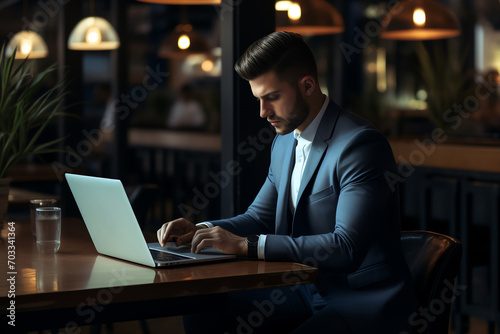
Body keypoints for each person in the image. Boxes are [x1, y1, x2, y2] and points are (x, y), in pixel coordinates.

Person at [157, 31, 416, 333]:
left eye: (272, 98)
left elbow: (346, 247)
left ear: (307, 85)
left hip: (360, 300)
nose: (263, 112)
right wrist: (200, 230)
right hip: (305, 288)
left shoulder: (360, 145)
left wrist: (245, 246)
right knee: (203, 303)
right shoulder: (283, 144)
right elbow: (258, 217)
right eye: (258, 99)